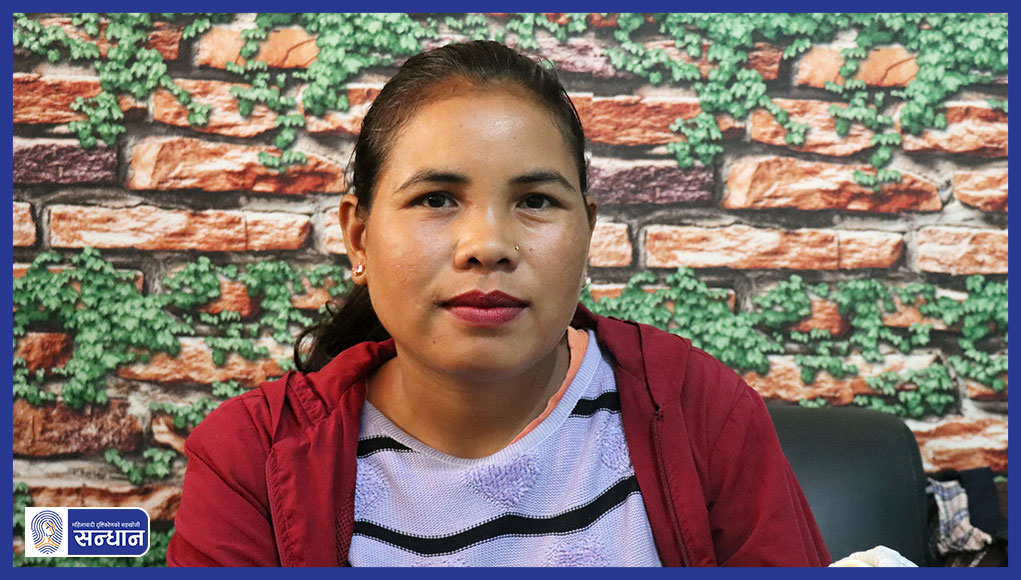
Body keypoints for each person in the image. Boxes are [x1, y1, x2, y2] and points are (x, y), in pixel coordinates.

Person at [167, 40, 830, 567]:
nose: (487, 246)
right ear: (359, 236)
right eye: (435, 199)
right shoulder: (249, 461)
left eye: (535, 201)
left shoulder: (696, 409)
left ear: (586, 231)